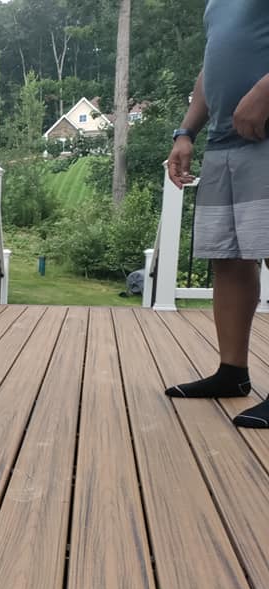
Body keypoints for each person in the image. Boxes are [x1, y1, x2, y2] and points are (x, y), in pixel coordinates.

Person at [165, 0, 269, 428]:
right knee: (227, 259)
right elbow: (211, 69)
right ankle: (232, 372)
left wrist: (265, 91)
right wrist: (186, 131)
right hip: (225, 144)